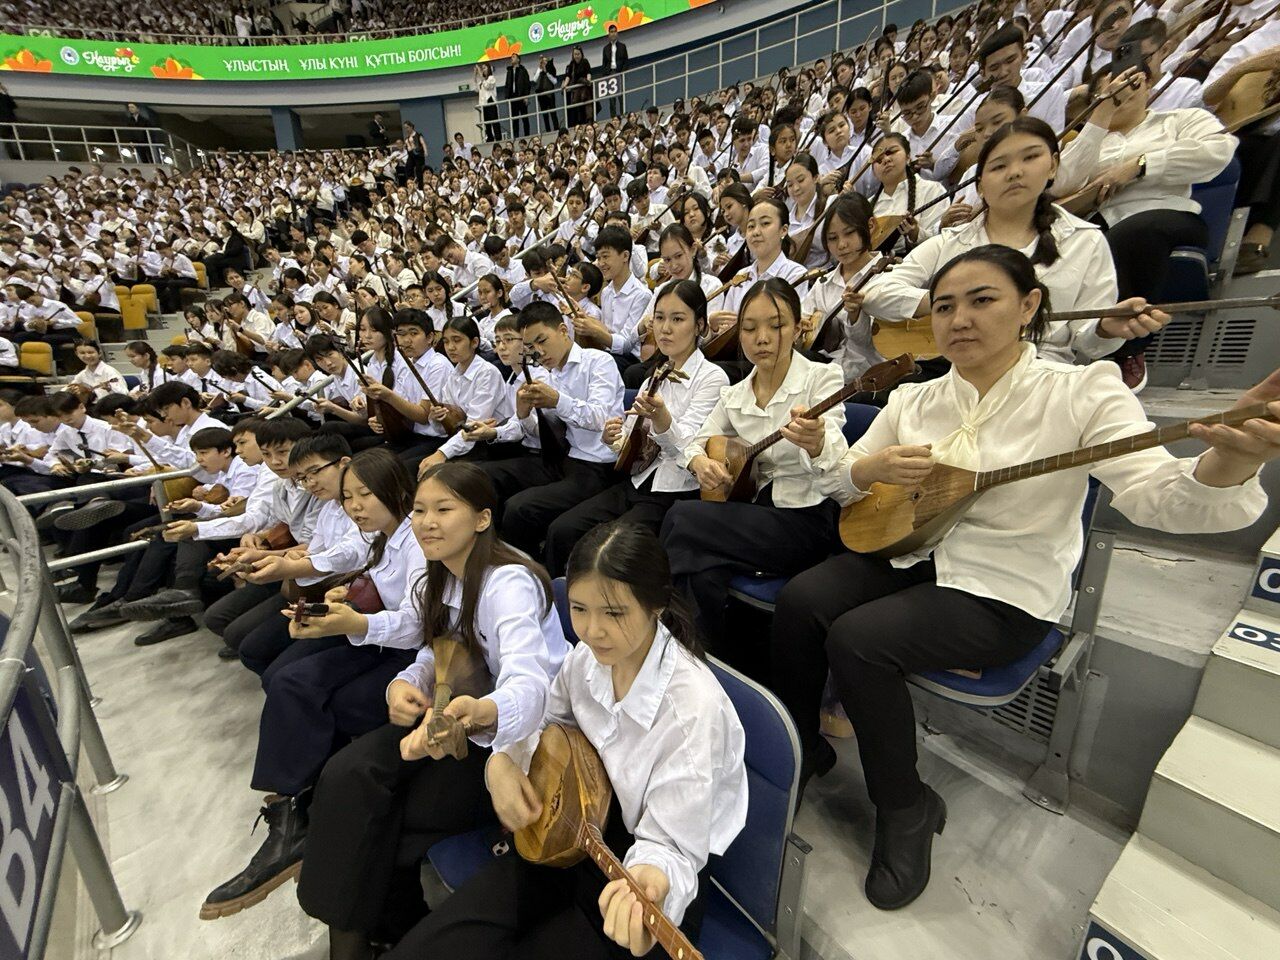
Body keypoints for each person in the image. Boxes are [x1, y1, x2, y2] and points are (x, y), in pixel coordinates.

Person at [771, 244, 1277, 912]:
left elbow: (1158, 497)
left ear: (1028, 305)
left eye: (982, 300)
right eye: (943, 307)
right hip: (912, 553)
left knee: (859, 640)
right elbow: (845, 481)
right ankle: (803, 746)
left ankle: (906, 807)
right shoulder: (915, 398)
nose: (959, 319)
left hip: (1004, 587)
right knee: (802, 599)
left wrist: (1230, 463)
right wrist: (871, 469)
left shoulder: (1081, 391)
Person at [381, 521, 748, 960]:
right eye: (579, 608)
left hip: (639, 860)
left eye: (614, 613)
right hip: (567, 820)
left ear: (656, 605)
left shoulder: (693, 712)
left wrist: (652, 881)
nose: (592, 630)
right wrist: (502, 761)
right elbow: (547, 722)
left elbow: (672, 846)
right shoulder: (586, 661)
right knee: (439, 943)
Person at [297, 461, 571, 957]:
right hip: (462, 712)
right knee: (347, 773)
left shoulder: (509, 583)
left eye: (444, 510)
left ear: (482, 518)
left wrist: (485, 710)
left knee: (387, 819)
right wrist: (406, 682)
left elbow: (529, 681)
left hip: (522, 734)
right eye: (420, 511)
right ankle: (365, 935)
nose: (426, 523)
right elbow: (436, 646)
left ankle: (372, 937)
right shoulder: (440, 575)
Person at [200, 448, 425, 921]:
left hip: (404, 647)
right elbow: (346, 555)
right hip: (378, 633)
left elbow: (418, 624)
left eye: (365, 494)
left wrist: (352, 620)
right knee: (289, 679)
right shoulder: (381, 533)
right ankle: (292, 807)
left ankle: (300, 812)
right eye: (349, 497)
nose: (355, 506)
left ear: (398, 490)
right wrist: (298, 573)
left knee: (308, 689)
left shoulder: (417, 540)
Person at [661, 278, 848, 651]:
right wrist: (700, 461)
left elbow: (837, 456)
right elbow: (697, 441)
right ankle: (706, 656)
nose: (762, 338)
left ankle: (668, 642)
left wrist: (817, 442)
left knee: (682, 517)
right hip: (752, 515)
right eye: (748, 328)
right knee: (701, 568)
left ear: (798, 328)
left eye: (776, 326)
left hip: (805, 519)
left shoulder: (822, 378)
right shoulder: (735, 393)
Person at [544, 280, 727, 576]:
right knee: (561, 530)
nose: (665, 328)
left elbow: (690, 449)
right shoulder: (654, 375)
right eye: (660, 318)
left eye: (677, 319)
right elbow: (630, 440)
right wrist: (613, 439)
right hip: (637, 481)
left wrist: (663, 419)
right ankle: (560, 600)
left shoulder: (712, 378)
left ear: (700, 325)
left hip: (674, 491)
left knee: (610, 552)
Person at [600, 24, 629, 119]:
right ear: (608, 34)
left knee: (621, 96)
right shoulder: (605, 48)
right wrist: (605, 76)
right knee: (611, 99)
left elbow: (626, 61)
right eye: (611, 32)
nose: (613, 34)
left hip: (619, 72)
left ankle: (623, 115)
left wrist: (622, 72)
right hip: (610, 74)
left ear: (617, 33)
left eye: (614, 31)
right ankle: (613, 118)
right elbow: (604, 63)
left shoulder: (622, 46)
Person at [505, 54, 533, 140]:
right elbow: (507, 84)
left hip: (521, 96)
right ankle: (516, 137)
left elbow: (527, 84)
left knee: (524, 118)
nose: (511, 58)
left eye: (513, 57)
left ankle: (527, 135)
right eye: (511, 57)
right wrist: (507, 96)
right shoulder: (509, 71)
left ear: (518, 60)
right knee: (514, 119)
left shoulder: (523, 70)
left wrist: (526, 96)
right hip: (512, 98)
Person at [564, 45, 593, 128]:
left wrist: (588, 81)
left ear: (581, 54)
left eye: (578, 54)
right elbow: (568, 76)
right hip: (576, 88)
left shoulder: (585, 61)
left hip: (585, 87)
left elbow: (588, 73)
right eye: (575, 54)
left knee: (587, 100)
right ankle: (579, 122)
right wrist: (565, 85)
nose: (576, 56)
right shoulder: (572, 64)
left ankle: (589, 120)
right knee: (576, 104)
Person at [474, 65, 500, 144]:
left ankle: (498, 138)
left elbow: (487, 86)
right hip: (483, 104)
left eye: (484, 68)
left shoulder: (491, 78)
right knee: (487, 124)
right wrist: (475, 76)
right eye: (482, 69)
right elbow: (476, 89)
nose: (483, 70)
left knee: (494, 122)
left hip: (490, 102)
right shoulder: (481, 81)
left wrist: (480, 74)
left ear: (489, 69)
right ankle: (490, 138)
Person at [534, 57, 561, 133]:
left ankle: (556, 128)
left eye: (545, 60)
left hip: (550, 94)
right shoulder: (539, 70)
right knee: (545, 115)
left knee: (553, 113)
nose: (543, 62)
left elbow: (554, 81)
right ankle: (548, 130)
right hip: (541, 96)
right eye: (542, 61)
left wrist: (546, 72)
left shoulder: (551, 69)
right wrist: (539, 68)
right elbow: (535, 79)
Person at [402, 122, 427, 187]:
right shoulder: (407, 138)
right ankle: (410, 183)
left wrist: (425, 151)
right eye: (405, 128)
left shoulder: (418, 135)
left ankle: (421, 186)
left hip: (418, 155)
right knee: (408, 167)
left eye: (407, 127)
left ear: (411, 127)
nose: (406, 129)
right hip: (411, 155)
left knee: (419, 171)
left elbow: (423, 143)